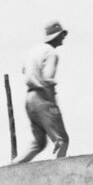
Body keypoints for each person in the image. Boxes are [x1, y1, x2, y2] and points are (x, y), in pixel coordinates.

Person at [14, 21, 70, 163]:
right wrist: (51, 102)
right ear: (56, 36)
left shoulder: (34, 50)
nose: (63, 38)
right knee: (62, 140)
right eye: (61, 35)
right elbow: (47, 78)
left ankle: (12, 167)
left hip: (30, 99)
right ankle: (59, 173)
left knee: (38, 144)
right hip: (42, 97)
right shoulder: (51, 53)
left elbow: (24, 69)